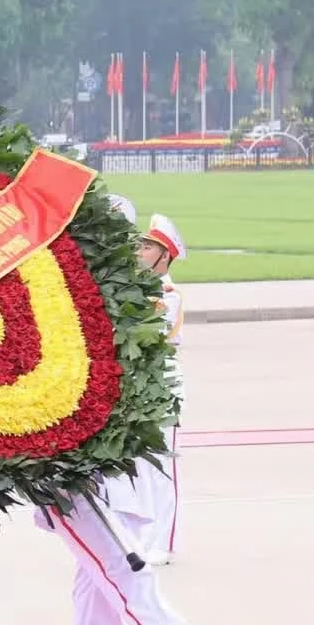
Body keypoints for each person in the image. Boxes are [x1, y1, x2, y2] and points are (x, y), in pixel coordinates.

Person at [39, 202, 274, 625]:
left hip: (125, 478)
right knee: (132, 584)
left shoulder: (132, 293)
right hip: (76, 480)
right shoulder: (56, 292)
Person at [137, 212, 186, 565]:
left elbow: (144, 332)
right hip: (137, 386)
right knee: (137, 467)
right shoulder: (136, 287)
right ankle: (141, 537)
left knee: (161, 467)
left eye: (149, 247)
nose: (140, 251)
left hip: (162, 384)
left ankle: (163, 543)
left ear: (165, 256)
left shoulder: (167, 295)